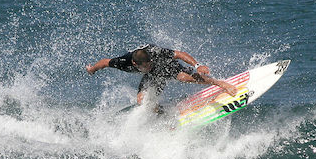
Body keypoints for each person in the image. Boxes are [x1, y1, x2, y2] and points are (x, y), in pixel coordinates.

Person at [86, 43, 238, 105]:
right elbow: (105, 62)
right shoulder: (123, 62)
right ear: (135, 64)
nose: (149, 66)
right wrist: (92, 69)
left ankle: (220, 83)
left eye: (149, 64)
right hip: (152, 76)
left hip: (164, 66)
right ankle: (161, 115)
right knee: (142, 101)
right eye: (146, 66)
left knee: (185, 77)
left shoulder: (155, 54)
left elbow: (179, 54)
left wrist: (197, 65)